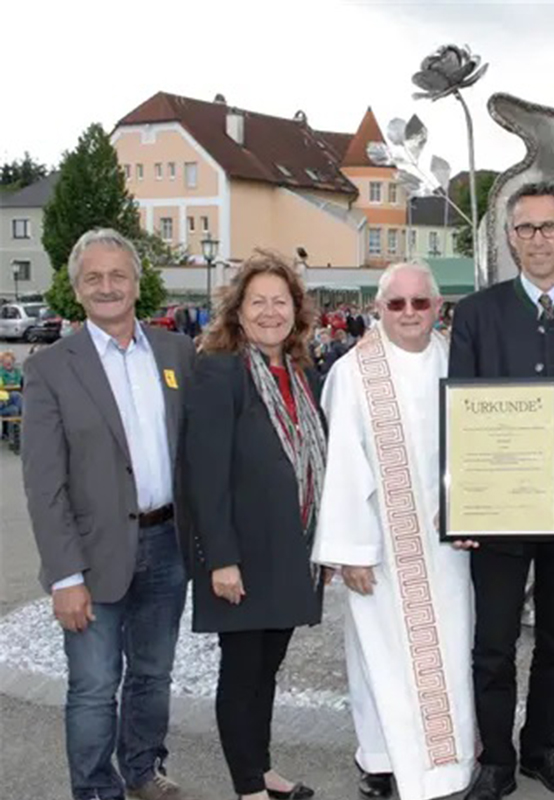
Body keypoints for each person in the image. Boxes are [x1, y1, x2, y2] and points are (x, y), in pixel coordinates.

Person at [449, 182, 554, 800]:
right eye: (526, 228)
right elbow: (459, 414)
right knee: (493, 643)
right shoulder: (476, 314)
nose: (538, 239)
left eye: (549, 227)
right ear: (510, 238)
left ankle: (541, 748)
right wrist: (462, 505)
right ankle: (496, 759)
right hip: (497, 510)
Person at [21, 228, 195, 800]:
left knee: (153, 674)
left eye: (118, 275)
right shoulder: (50, 368)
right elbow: (43, 484)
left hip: (167, 544)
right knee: (95, 686)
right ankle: (96, 789)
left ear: (138, 284)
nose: (107, 286)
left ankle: (142, 769)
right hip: (91, 556)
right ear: (76, 288)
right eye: (93, 277)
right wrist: (65, 577)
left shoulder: (176, 352)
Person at [313, 262, 475, 800]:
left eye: (420, 303)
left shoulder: (457, 359)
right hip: (381, 544)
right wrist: (351, 551)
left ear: (437, 308)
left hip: (450, 546)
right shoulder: (353, 373)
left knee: (450, 652)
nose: (409, 313)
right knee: (379, 658)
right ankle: (381, 761)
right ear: (378, 309)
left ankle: (451, 764)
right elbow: (342, 465)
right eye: (396, 304)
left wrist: (475, 508)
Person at [182, 251, 329, 800]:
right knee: (242, 674)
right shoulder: (220, 370)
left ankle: (261, 768)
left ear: (296, 310)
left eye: (280, 302)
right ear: (238, 312)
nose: (270, 312)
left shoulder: (300, 372)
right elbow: (205, 473)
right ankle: (248, 787)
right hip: (241, 557)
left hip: (289, 552)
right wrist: (221, 558)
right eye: (258, 302)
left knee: (267, 670)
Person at [0, 350, 21, 417]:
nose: (8, 362)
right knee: (16, 395)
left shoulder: (18, 372)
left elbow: (19, 382)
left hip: (8, 396)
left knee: (14, 409)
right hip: (5, 397)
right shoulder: (1, 372)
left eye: (10, 361)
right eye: (5, 361)